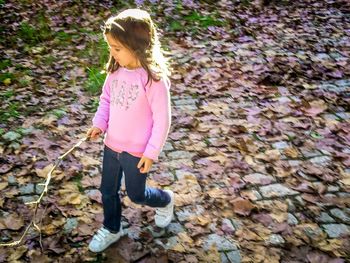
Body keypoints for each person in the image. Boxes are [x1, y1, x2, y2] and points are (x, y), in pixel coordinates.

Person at [85, 8, 174, 253]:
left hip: (137, 152)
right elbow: (105, 100)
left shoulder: (153, 79)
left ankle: (165, 199)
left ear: (135, 45)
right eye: (110, 47)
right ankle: (113, 228)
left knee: (136, 195)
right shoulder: (115, 72)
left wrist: (151, 153)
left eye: (116, 48)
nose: (111, 53)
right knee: (107, 191)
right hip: (111, 145)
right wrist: (99, 124)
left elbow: (162, 120)